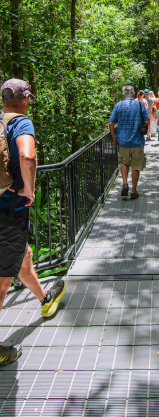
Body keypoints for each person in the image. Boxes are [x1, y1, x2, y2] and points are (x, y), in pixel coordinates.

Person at [0, 79, 66, 367]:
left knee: (22, 254)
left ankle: (45, 298)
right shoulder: (21, 124)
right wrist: (29, 189)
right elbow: (27, 154)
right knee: (2, 281)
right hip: (8, 209)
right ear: (25, 98)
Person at [109, 86, 150, 199]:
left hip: (122, 141)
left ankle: (125, 183)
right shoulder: (140, 105)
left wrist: (114, 138)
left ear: (123, 94)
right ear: (133, 94)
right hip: (137, 141)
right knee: (136, 166)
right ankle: (133, 191)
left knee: (124, 163)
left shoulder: (118, 105)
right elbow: (147, 121)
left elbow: (111, 123)